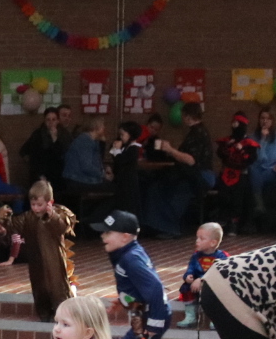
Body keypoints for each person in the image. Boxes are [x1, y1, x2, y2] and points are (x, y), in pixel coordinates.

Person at [96, 210, 183, 339]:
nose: (103, 237)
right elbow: (139, 287)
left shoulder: (130, 258)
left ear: (125, 237)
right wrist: (124, 299)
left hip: (149, 317)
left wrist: (154, 322)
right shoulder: (126, 254)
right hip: (140, 314)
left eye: (108, 233)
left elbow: (154, 289)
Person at [141, 102, 212, 238]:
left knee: (166, 189)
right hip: (194, 175)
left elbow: (191, 160)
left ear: (187, 116)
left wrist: (170, 150)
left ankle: (167, 227)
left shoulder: (197, 133)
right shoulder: (199, 131)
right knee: (159, 187)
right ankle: (160, 225)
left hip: (198, 177)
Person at [13, 179, 78, 320]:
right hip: (36, 261)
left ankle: (64, 311)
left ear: (50, 203)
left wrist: (52, 216)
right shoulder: (28, 217)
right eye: (33, 205)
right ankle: (44, 313)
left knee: (57, 286)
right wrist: (5, 220)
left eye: (40, 205)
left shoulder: (59, 214)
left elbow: (62, 227)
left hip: (54, 259)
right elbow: (14, 225)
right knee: (39, 287)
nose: (36, 208)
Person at [173, 221, 228, 329]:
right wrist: (188, 276)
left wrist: (202, 280)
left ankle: (216, 317)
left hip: (213, 285)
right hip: (196, 285)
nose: (197, 241)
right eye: (197, 238)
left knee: (217, 292)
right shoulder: (196, 256)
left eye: (201, 239)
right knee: (185, 287)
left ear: (213, 243)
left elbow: (218, 273)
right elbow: (191, 268)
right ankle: (190, 315)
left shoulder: (222, 257)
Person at [213, 112, 259, 233]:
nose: (233, 125)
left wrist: (242, 150)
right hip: (227, 172)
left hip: (241, 173)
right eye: (233, 123)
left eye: (236, 123)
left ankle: (234, 222)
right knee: (223, 195)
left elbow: (251, 159)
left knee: (237, 197)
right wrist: (226, 148)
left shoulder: (249, 143)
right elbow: (220, 154)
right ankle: (223, 218)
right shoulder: (228, 140)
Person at [250, 107, 276, 228]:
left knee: (259, 176)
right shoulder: (254, 137)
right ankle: (259, 205)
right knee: (253, 171)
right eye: (262, 118)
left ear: (273, 120)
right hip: (260, 168)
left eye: (268, 118)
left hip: (275, 169)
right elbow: (259, 158)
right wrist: (263, 140)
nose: (265, 121)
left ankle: (260, 205)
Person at [59, 117, 108, 205]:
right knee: (114, 189)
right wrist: (102, 174)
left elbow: (97, 161)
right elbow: (87, 167)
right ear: (97, 127)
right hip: (77, 180)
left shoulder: (92, 141)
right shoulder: (85, 141)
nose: (104, 129)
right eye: (103, 126)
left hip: (79, 178)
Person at [18, 107, 67, 189]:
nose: (51, 122)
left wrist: (55, 139)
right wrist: (37, 172)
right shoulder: (38, 135)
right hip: (40, 176)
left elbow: (62, 154)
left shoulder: (64, 135)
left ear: (58, 121)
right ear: (44, 121)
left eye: (53, 119)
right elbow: (26, 152)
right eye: (48, 120)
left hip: (58, 176)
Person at [107, 121, 143, 217]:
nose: (121, 137)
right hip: (122, 181)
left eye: (123, 134)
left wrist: (118, 150)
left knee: (128, 206)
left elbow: (121, 160)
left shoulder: (133, 149)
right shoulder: (125, 147)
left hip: (129, 183)